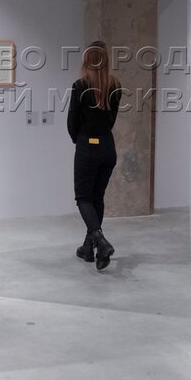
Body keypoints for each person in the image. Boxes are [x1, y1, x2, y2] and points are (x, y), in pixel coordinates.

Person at [67, 41, 122, 270]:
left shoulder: (80, 86)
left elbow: (72, 122)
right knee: (96, 197)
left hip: (87, 147)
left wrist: (79, 140)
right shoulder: (115, 86)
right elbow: (112, 120)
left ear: (87, 61)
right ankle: (89, 248)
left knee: (83, 198)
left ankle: (101, 241)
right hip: (107, 148)